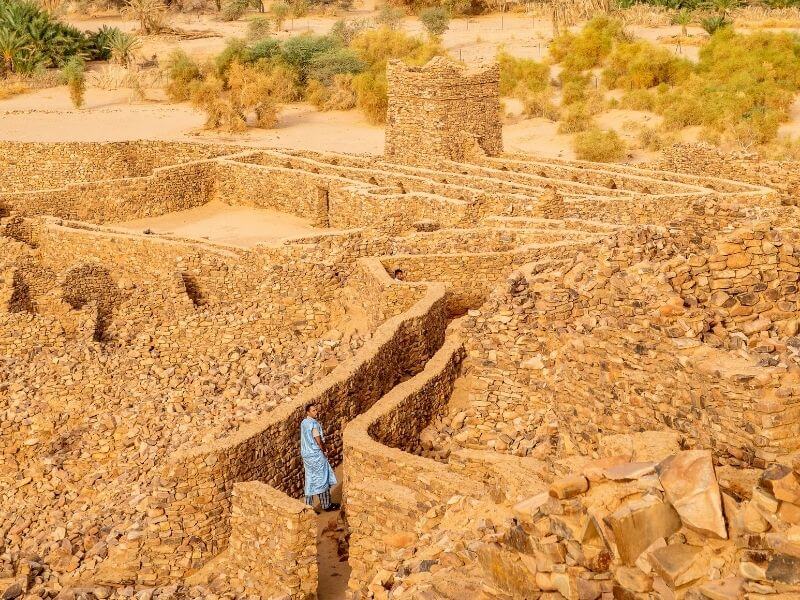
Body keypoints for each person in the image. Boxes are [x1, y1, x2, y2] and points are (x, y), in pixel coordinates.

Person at [300, 403, 340, 512]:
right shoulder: (314, 424)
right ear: (308, 412)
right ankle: (326, 505)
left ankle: (308, 507)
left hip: (307, 456)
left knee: (310, 479)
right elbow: (318, 440)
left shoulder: (304, 423)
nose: (316, 412)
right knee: (322, 478)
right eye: (313, 411)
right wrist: (325, 450)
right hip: (316, 455)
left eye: (316, 410)